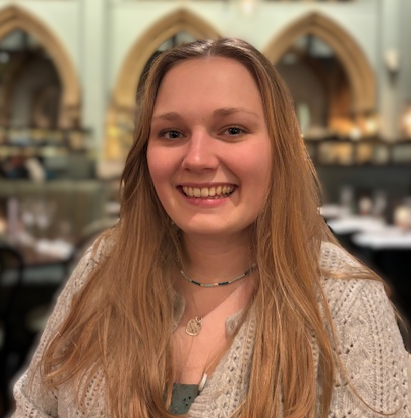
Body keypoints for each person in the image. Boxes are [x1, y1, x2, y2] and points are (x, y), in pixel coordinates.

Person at [11, 38, 410, 418]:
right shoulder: (104, 266)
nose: (197, 158)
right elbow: (35, 406)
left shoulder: (345, 303)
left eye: (232, 130)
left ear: (280, 148)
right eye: (172, 133)